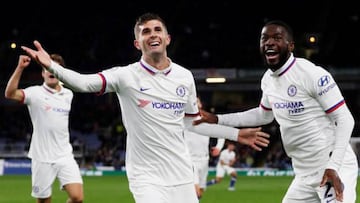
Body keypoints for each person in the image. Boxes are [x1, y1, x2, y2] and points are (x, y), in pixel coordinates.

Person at [21, 13, 270, 203]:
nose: (152, 34)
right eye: (145, 31)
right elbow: (84, 83)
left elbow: (191, 122)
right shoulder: (125, 76)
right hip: (146, 177)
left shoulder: (184, 77)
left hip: (182, 174)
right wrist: (52, 67)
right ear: (137, 43)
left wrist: (236, 134)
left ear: (167, 38)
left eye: (157, 30)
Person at [194, 20, 358, 203]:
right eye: (265, 38)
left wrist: (334, 166)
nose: (269, 42)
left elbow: (345, 119)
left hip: (332, 167)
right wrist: (217, 119)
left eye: (277, 38)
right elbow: (263, 115)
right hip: (304, 173)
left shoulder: (311, 74)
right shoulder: (268, 80)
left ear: (291, 46)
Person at [4, 54, 83, 203]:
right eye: (46, 68)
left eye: (53, 68)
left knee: (77, 197)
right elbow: (9, 94)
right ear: (42, 73)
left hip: (64, 154)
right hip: (42, 157)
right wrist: (20, 67)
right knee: (44, 201)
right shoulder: (34, 93)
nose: (50, 71)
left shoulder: (68, 94)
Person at [184, 96, 225, 199]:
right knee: (195, 190)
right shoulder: (183, 120)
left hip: (204, 160)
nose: (194, 103)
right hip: (190, 160)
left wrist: (218, 147)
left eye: (196, 101)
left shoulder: (206, 120)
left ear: (200, 104)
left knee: (200, 192)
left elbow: (222, 132)